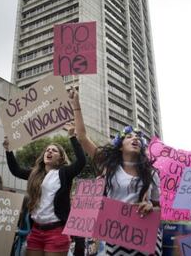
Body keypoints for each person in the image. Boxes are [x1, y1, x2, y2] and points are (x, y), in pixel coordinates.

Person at [69, 88, 162, 256]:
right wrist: (76, 105)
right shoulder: (109, 167)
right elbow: (82, 137)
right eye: (129, 136)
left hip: (145, 237)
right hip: (115, 236)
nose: (135, 138)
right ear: (120, 145)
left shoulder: (151, 173)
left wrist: (150, 207)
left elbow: (158, 209)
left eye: (138, 138)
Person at [3, 124, 86, 256]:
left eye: (54, 150)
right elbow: (16, 170)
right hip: (35, 231)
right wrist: (8, 150)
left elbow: (81, 162)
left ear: (60, 158)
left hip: (56, 232)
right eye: (47, 150)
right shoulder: (35, 174)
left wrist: (72, 137)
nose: (49, 152)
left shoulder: (64, 173)